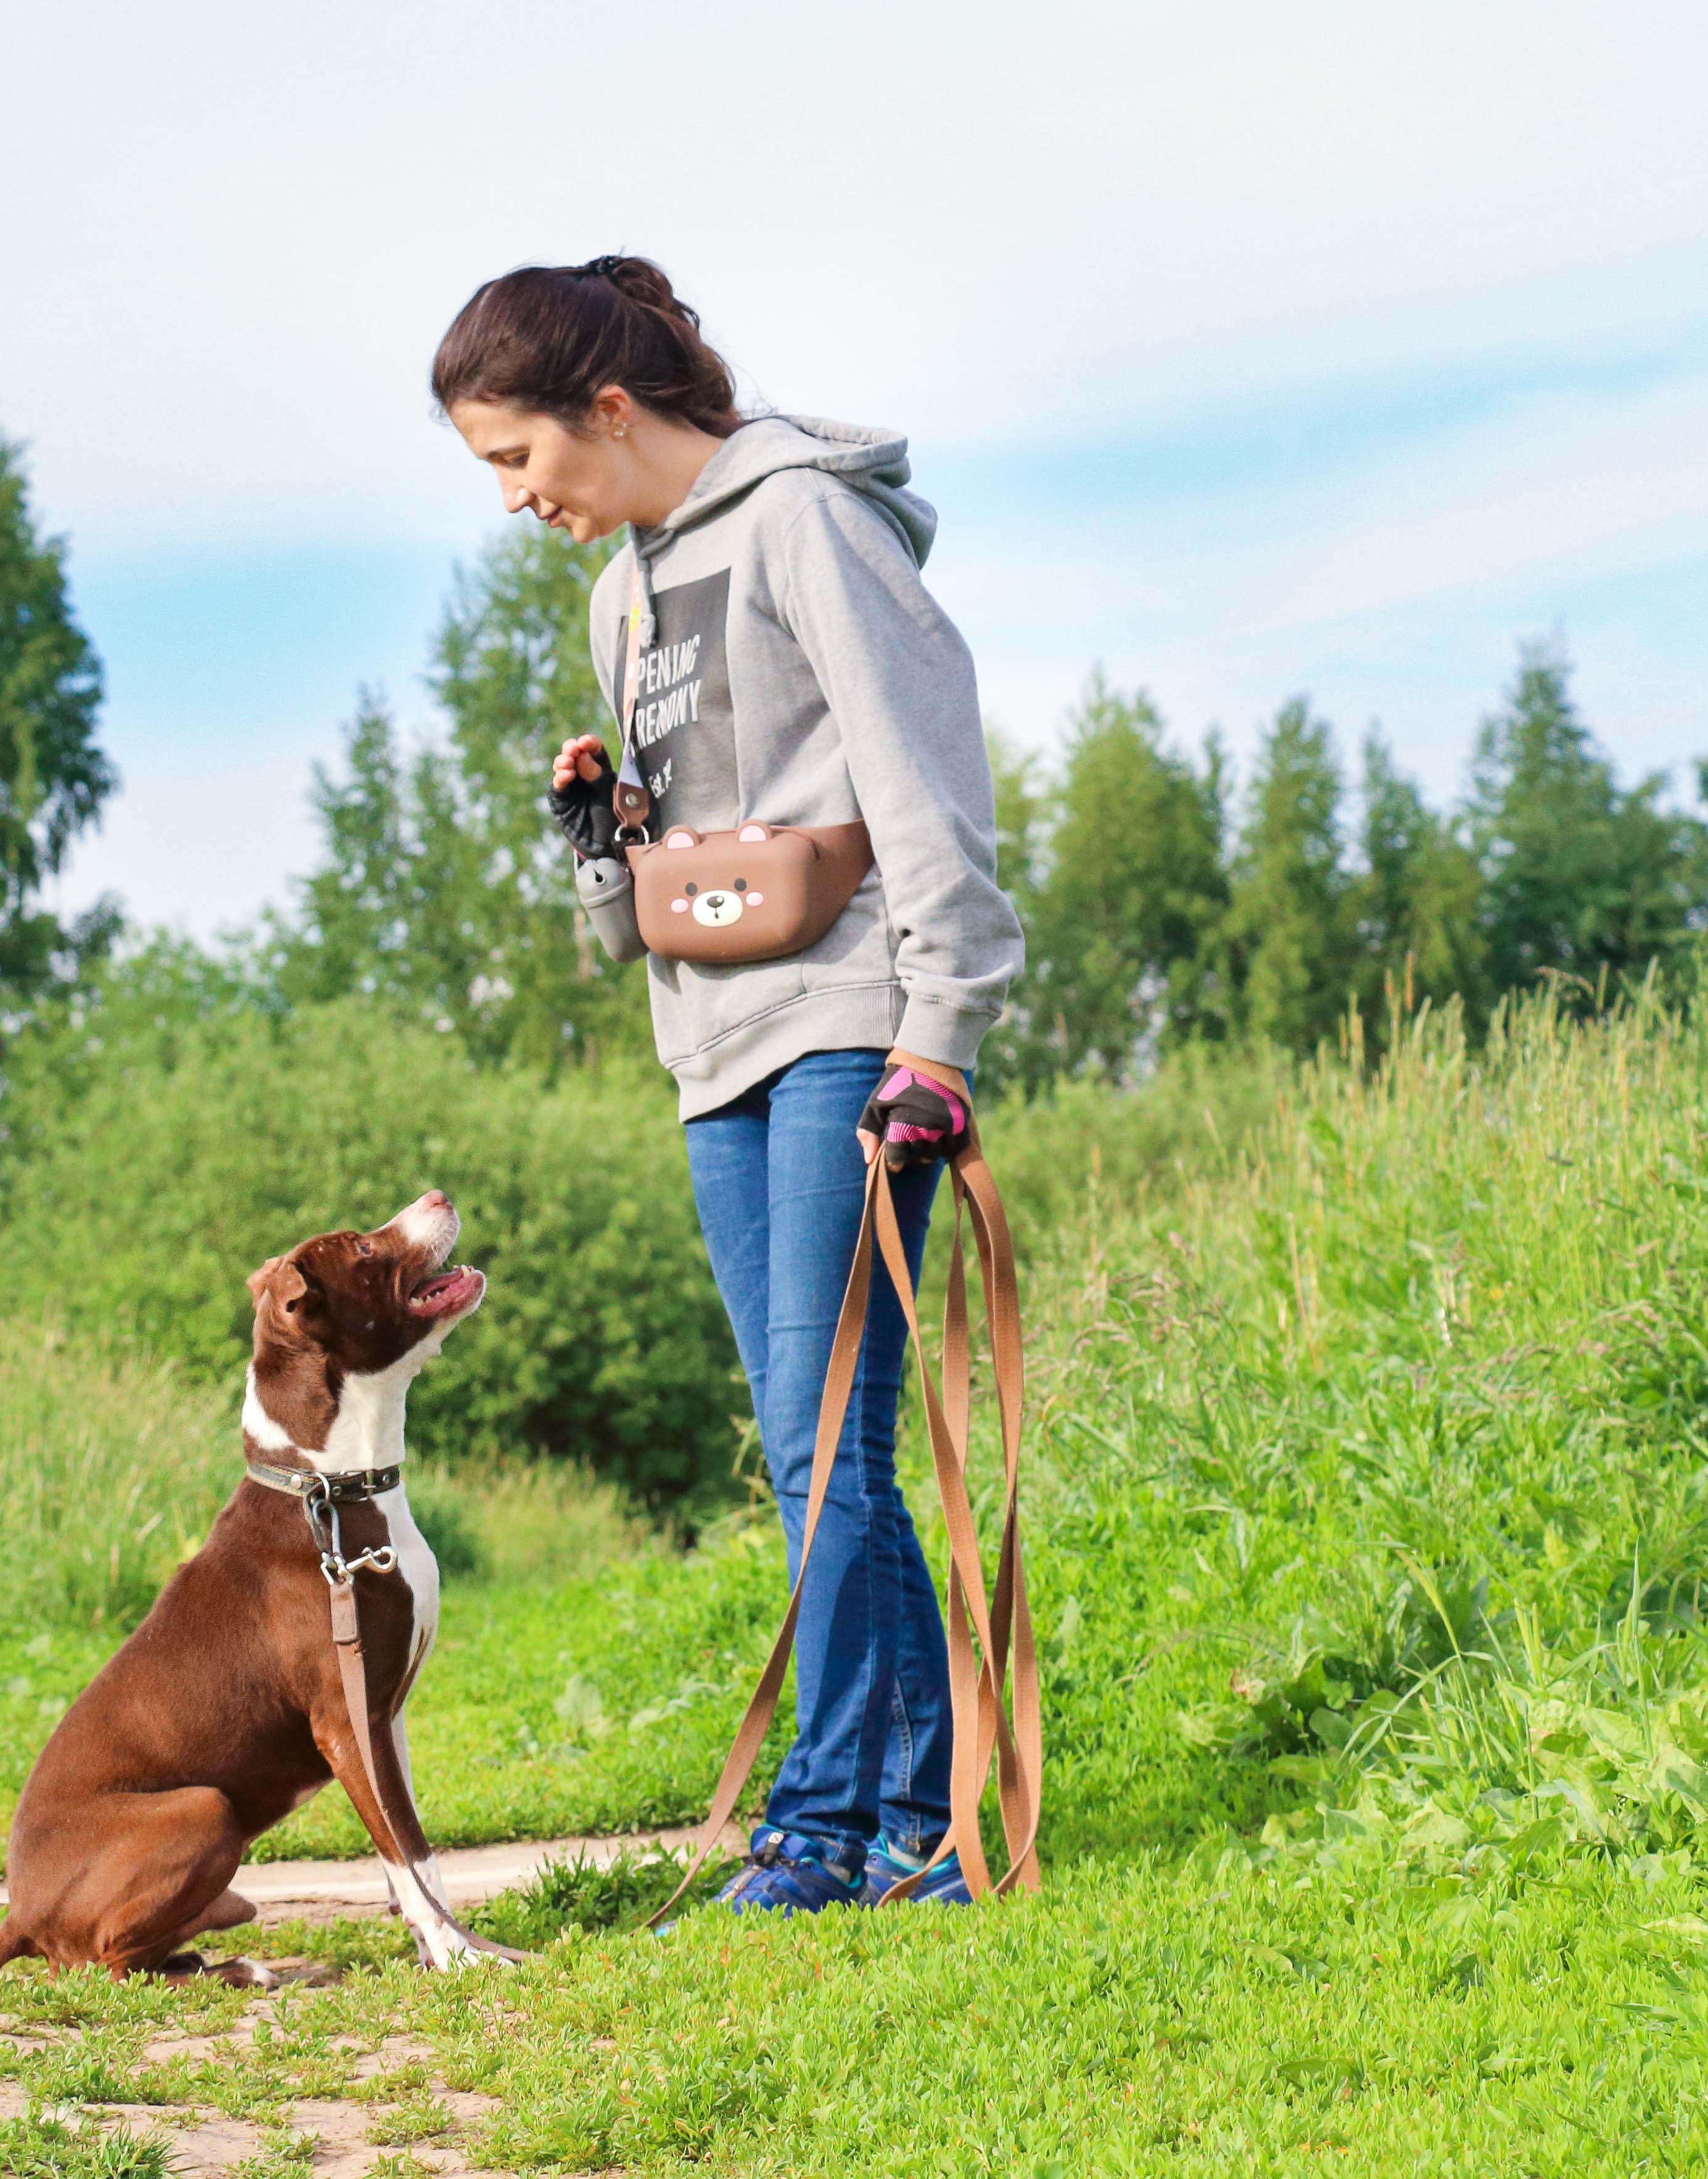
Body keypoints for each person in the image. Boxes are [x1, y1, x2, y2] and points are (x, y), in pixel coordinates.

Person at [430, 256, 1024, 1913]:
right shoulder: (617, 600)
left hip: (849, 1026)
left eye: (516, 458)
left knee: (830, 1445)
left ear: (606, 411)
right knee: (809, 1447)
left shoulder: (804, 524)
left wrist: (940, 1034)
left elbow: (926, 777)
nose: (514, 500)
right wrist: (594, 843)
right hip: (712, 1054)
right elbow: (645, 919)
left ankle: (825, 1824)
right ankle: (929, 1816)